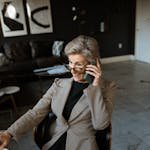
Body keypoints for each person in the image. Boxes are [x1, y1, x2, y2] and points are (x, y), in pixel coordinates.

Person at [0, 35, 116, 150]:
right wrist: (9, 133)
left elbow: (100, 124)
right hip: (55, 141)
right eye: (70, 62)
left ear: (92, 64)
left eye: (79, 64)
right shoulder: (59, 84)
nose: (72, 70)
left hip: (83, 145)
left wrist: (95, 87)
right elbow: (35, 113)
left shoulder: (107, 88)